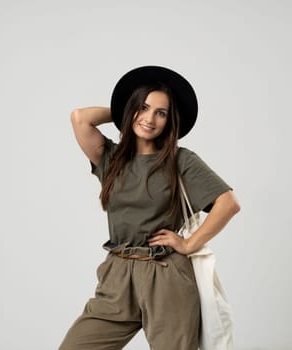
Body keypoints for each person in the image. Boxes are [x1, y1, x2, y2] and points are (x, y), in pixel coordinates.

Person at [58, 66, 240, 350]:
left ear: (170, 121)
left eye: (161, 113)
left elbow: (228, 203)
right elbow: (80, 118)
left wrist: (189, 243)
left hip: (166, 273)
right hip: (117, 274)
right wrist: (125, 109)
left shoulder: (181, 161)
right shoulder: (111, 158)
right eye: (143, 108)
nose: (149, 119)